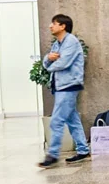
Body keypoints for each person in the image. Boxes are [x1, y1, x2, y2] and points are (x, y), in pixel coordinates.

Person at [37, 14, 91, 168]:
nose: (50, 26)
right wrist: (48, 59)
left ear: (63, 26)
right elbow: (49, 59)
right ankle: (82, 150)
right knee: (72, 119)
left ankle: (52, 155)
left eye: (54, 23)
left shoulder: (71, 42)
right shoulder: (58, 44)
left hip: (69, 85)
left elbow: (63, 63)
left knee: (57, 120)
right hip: (60, 86)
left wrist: (49, 64)